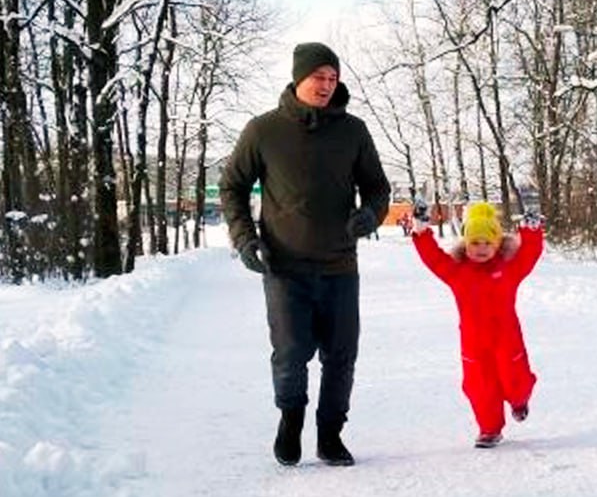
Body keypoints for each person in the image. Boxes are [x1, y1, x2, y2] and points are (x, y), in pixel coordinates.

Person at [219, 42, 390, 467]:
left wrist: (370, 215)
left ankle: (330, 434)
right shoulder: (263, 131)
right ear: (299, 78)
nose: (327, 86)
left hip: (339, 265)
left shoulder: (353, 131)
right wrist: (245, 239)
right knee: (291, 352)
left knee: (341, 354)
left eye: (333, 79)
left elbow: (378, 188)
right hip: (283, 265)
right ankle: (290, 420)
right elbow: (232, 187)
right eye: (319, 77)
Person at [402, 201, 544, 448]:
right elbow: (434, 259)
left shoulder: (509, 269)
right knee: (479, 386)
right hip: (474, 342)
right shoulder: (457, 272)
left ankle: (519, 401)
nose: (481, 248)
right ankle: (489, 429)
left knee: (515, 380)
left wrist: (531, 231)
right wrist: (422, 231)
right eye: (475, 242)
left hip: (507, 338)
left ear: (497, 244)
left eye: (488, 242)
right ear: (465, 244)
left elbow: (529, 255)